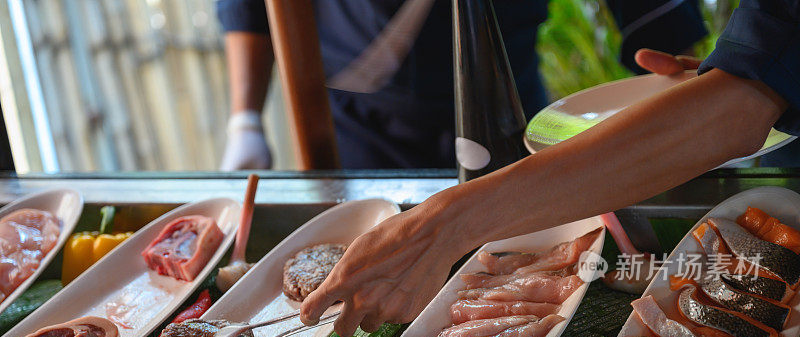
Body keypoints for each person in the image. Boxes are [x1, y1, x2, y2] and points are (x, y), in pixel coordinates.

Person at [300, 0, 800, 337]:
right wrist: (715, 84)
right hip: (358, 108)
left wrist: (442, 226)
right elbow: (752, 79)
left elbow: (738, 108)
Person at [216, 0, 708, 170]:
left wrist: (677, 88)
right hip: (356, 124)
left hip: (506, 103)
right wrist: (245, 119)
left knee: (519, 259)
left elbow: (658, 26)